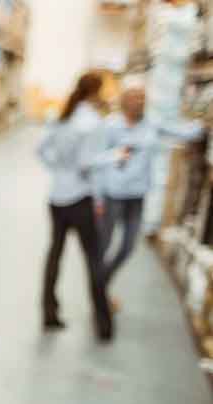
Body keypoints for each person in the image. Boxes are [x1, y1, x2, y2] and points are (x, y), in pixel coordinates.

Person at [97, 81, 204, 293]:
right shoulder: (110, 126)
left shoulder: (151, 123)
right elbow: (97, 161)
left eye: (143, 98)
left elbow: (182, 132)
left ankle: (102, 282)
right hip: (113, 195)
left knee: (128, 246)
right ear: (124, 100)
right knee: (103, 244)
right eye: (136, 97)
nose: (140, 102)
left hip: (137, 195)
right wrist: (97, 197)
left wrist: (202, 126)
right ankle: (99, 290)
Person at [37, 72, 115, 341]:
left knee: (54, 255)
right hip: (81, 198)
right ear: (96, 91)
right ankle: (104, 324)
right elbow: (87, 163)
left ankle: (49, 313)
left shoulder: (62, 117)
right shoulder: (93, 123)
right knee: (94, 260)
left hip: (57, 197)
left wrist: (58, 169)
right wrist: (114, 157)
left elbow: (41, 149)